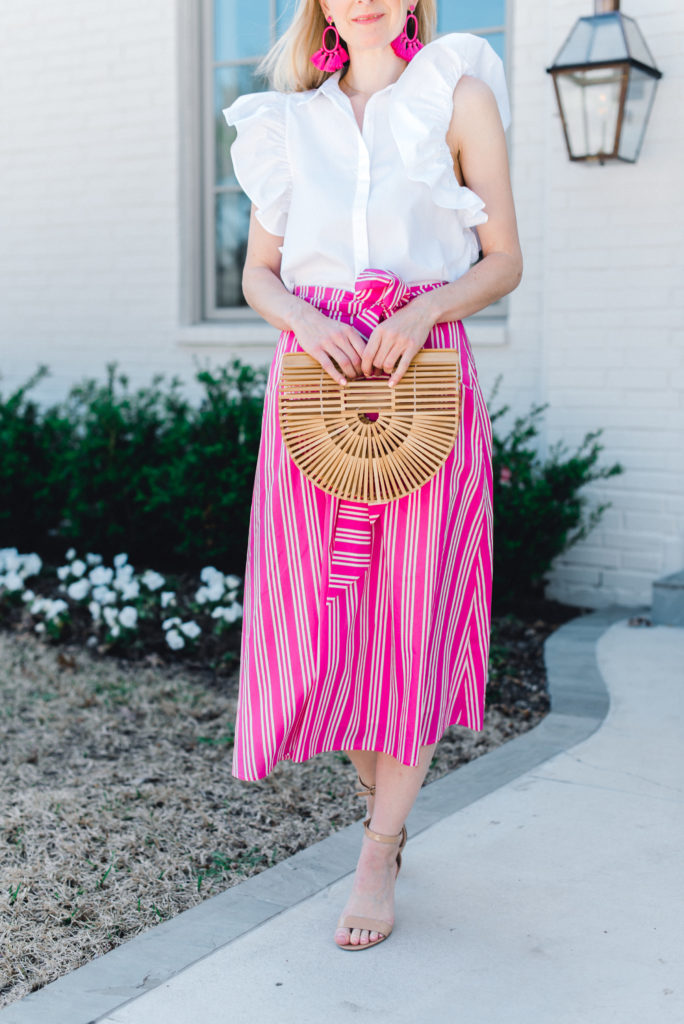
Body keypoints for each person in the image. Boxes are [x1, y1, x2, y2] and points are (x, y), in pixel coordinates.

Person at [222, 0, 522, 951]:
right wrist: (303, 321)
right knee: (320, 623)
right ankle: (377, 791)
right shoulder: (285, 121)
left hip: (423, 387)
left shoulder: (456, 94)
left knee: (407, 616)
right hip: (313, 389)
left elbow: (504, 258)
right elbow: (258, 273)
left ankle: (378, 847)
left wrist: (428, 306)